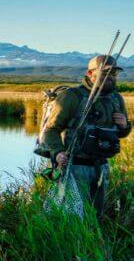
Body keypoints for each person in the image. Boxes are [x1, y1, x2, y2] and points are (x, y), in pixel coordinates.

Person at [37, 55, 130, 217]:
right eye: (105, 73)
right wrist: (58, 152)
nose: (110, 77)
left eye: (114, 73)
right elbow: (50, 131)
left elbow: (122, 133)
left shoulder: (116, 98)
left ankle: (92, 240)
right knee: (71, 216)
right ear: (89, 73)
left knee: (95, 216)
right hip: (75, 166)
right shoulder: (72, 97)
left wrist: (125, 126)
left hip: (102, 166)